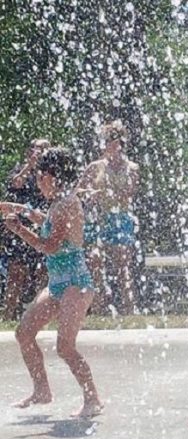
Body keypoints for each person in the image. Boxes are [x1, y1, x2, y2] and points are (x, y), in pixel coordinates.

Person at [0, 147, 102, 417]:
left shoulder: (66, 204)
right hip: (59, 285)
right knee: (24, 333)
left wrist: (18, 229)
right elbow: (50, 222)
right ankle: (42, 390)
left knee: (65, 347)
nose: (37, 182)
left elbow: (50, 246)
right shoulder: (60, 203)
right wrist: (23, 210)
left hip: (76, 285)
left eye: (39, 177)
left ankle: (93, 400)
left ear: (51, 177)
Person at [79, 120, 140, 315]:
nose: (112, 146)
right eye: (108, 142)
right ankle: (99, 307)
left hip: (120, 218)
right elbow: (78, 191)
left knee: (123, 264)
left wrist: (107, 191)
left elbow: (130, 193)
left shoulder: (132, 168)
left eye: (116, 142)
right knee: (95, 262)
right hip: (98, 218)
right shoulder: (94, 167)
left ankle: (129, 309)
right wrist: (90, 193)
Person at [1, 139, 50, 321]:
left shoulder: (50, 172)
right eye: (36, 148)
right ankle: (7, 316)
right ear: (29, 152)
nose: (40, 152)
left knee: (43, 272)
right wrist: (29, 165)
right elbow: (15, 184)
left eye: (44, 149)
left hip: (43, 225)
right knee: (16, 272)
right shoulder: (21, 169)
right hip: (20, 227)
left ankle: (40, 317)